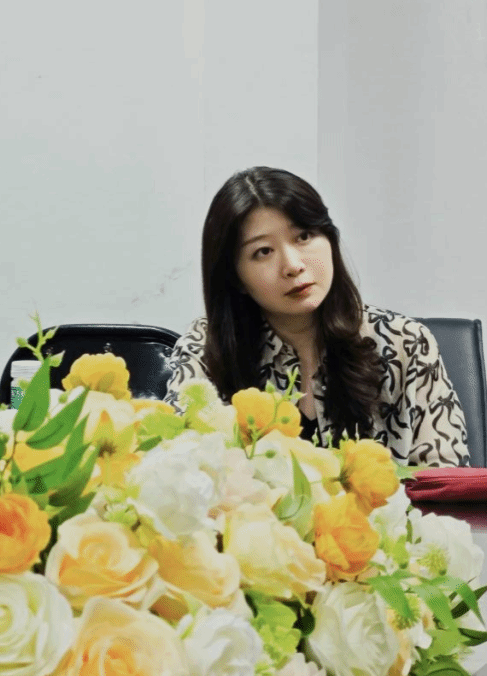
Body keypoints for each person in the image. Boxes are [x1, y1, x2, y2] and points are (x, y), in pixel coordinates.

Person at [166, 166, 469, 467]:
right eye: (263, 251)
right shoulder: (205, 348)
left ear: (330, 239)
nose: (292, 265)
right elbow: (176, 471)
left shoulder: (406, 344)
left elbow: (448, 483)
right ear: (236, 277)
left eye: (304, 236)